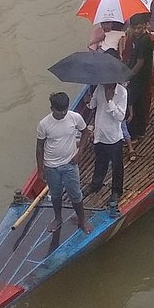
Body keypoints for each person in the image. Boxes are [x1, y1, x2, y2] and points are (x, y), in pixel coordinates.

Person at [35, 91, 91, 234]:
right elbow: (39, 147)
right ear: (52, 109)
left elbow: (86, 133)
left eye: (65, 110)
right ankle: (58, 218)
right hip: (51, 166)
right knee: (55, 194)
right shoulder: (44, 124)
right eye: (60, 111)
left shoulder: (75, 118)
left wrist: (80, 153)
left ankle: (82, 220)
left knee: (75, 194)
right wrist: (40, 170)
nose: (63, 113)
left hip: (70, 164)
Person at [85, 81, 127, 212]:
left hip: (113, 136)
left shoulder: (122, 92)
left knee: (116, 165)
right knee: (100, 161)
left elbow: (120, 116)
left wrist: (110, 101)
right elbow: (93, 105)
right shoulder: (99, 87)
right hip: (100, 134)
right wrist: (88, 100)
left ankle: (116, 191)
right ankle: (96, 184)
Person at [123, 14, 153, 139]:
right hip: (136, 75)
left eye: (139, 28)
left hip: (140, 76)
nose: (136, 31)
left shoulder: (145, 40)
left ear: (144, 26)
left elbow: (140, 63)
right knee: (138, 103)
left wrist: (127, 77)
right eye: (134, 28)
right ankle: (138, 131)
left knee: (134, 103)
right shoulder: (135, 38)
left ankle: (135, 133)